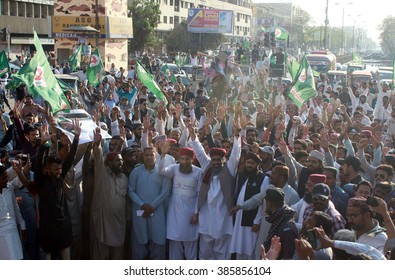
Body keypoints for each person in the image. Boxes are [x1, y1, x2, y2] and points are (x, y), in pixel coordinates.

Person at [188, 123, 241, 260]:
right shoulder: (207, 166)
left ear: (224, 159)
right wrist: (192, 133)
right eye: (214, 160)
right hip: (206, 215)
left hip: (223, 216)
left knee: (222, 251)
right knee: (205, 251)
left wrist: (236, 136)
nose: (216, 162)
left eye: (219, 160)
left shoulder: (229, 168)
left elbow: (235, 154)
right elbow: (199, 151)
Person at [32, 122, 80, 259]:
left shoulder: (59, 179)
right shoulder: (40, 182)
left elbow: (70, 159)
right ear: (47, 169)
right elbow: (37, 165)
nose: (59, 172)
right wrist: (42, 144)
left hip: (63, 229)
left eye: (60, 169)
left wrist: (76, 138)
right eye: (56, 169)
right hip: (47, 231)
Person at [158, 144, 202, 260]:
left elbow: (199, 194)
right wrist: (162, 154)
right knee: (175, 247)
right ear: (179, 159)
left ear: (192, 159)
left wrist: (196, 213)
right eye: (182, 159)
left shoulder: (198, 172)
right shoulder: (174, 168)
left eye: (187, 159)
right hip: (175, 213)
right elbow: (161, 171)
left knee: (190, 246)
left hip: (191, 212)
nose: (184, 161)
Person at [90, 127, 129, 260]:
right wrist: (97, 144)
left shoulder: (124, 178)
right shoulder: (102, 174)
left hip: (119, 224)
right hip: (104, 224)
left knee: (118, 255)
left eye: (121, 161)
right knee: (103, 256)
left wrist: (121, 144)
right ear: (109, 163)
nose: (121, 163)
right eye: (118, 161)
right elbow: (98, 157)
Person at [128, 146, 171, 260]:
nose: (149, 157)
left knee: (158, 240)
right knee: (139, 239)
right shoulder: (136, 172)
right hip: (139, 211)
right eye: (146, 155)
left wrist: (152, 205)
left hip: (157, 211)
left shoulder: (162, 172)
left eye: (151, 155)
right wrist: (142, 204)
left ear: (155, 156)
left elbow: (165, 192)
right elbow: (131, 191)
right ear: (142, 156)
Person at [229, 152, 265, 260]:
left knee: (250, 249)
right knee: (239, 248)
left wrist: (257, 221)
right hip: (239, 217)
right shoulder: (241, 175)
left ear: (258, 165)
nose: (249, 165)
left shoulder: (263, 179)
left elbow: (262, 202)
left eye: (252, 163)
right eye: (248, 162)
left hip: (252, 220)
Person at [263, 187, 298, 259]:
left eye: (266, 202)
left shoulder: (287, 227)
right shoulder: (279, 219)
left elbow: (288, 256)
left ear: (269, 203)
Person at [0, 165, 26, 260]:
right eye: (4, 178)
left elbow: (16, 208)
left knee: (18, 257)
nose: (6, 180)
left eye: (6, 177)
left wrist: (22, 225)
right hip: (1, 233)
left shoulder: (9, 188)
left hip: (13, 229)